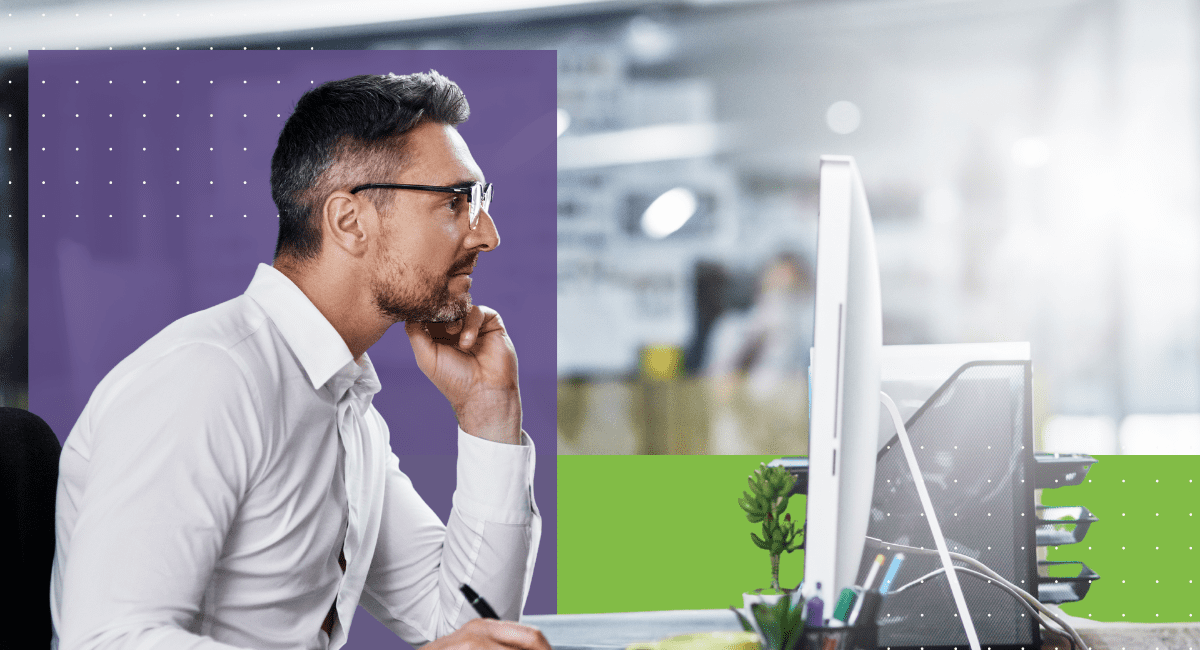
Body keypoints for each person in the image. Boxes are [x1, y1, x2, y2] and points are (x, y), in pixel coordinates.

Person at [50, 71, 548, 650]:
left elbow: (465, 630)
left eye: (480, 202)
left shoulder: (344, 407)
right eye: (457, 201)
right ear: (349, 221)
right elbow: (107, 641)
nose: (486, 234)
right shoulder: (206, 380)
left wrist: (490, 414)